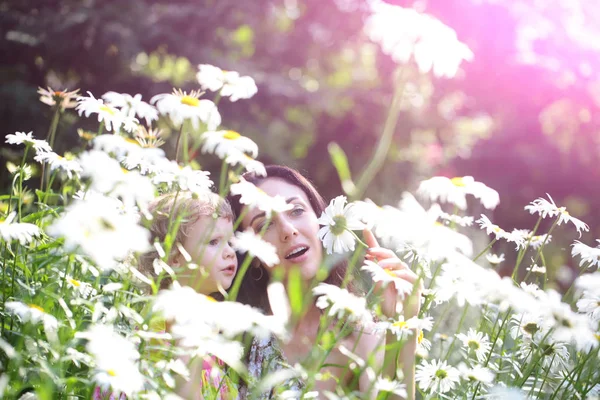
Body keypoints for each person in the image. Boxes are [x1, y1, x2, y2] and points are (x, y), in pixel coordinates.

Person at [229, 165, 422, 399]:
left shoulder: (362, 337)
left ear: (320, 219)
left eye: (296, 211)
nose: (288, 230)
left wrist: (404, 323)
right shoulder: (238, 341)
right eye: (265, 224)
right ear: (251, 253)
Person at [94, 191, 239, 400]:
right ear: (174, 259)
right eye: (214, 242)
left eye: (230, 242)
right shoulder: (168, 326)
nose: (229, 252)